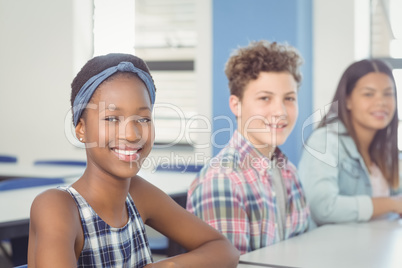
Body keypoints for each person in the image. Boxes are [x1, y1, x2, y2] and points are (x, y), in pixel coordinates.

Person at [27, 53, 239, 267]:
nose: (131, 134)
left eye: (143, 119)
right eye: (111, 118)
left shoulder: (138, 194)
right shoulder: (57, 207)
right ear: (81, 129)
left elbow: (223, 249)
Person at [186, 40, 310, 254]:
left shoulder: (289, 171)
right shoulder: (223, 181)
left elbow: (301, 251)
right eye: (265, 98)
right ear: (236, 105)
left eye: (289, 98)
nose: (280, 111)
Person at [298, 59, 402, 226]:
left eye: (388, 94)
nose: (381, 102)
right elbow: (321, 207)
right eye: (369, 94)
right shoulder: (324, 141)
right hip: (337, 250)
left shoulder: (385, 152)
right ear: (347, 100)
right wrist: (391, 203)